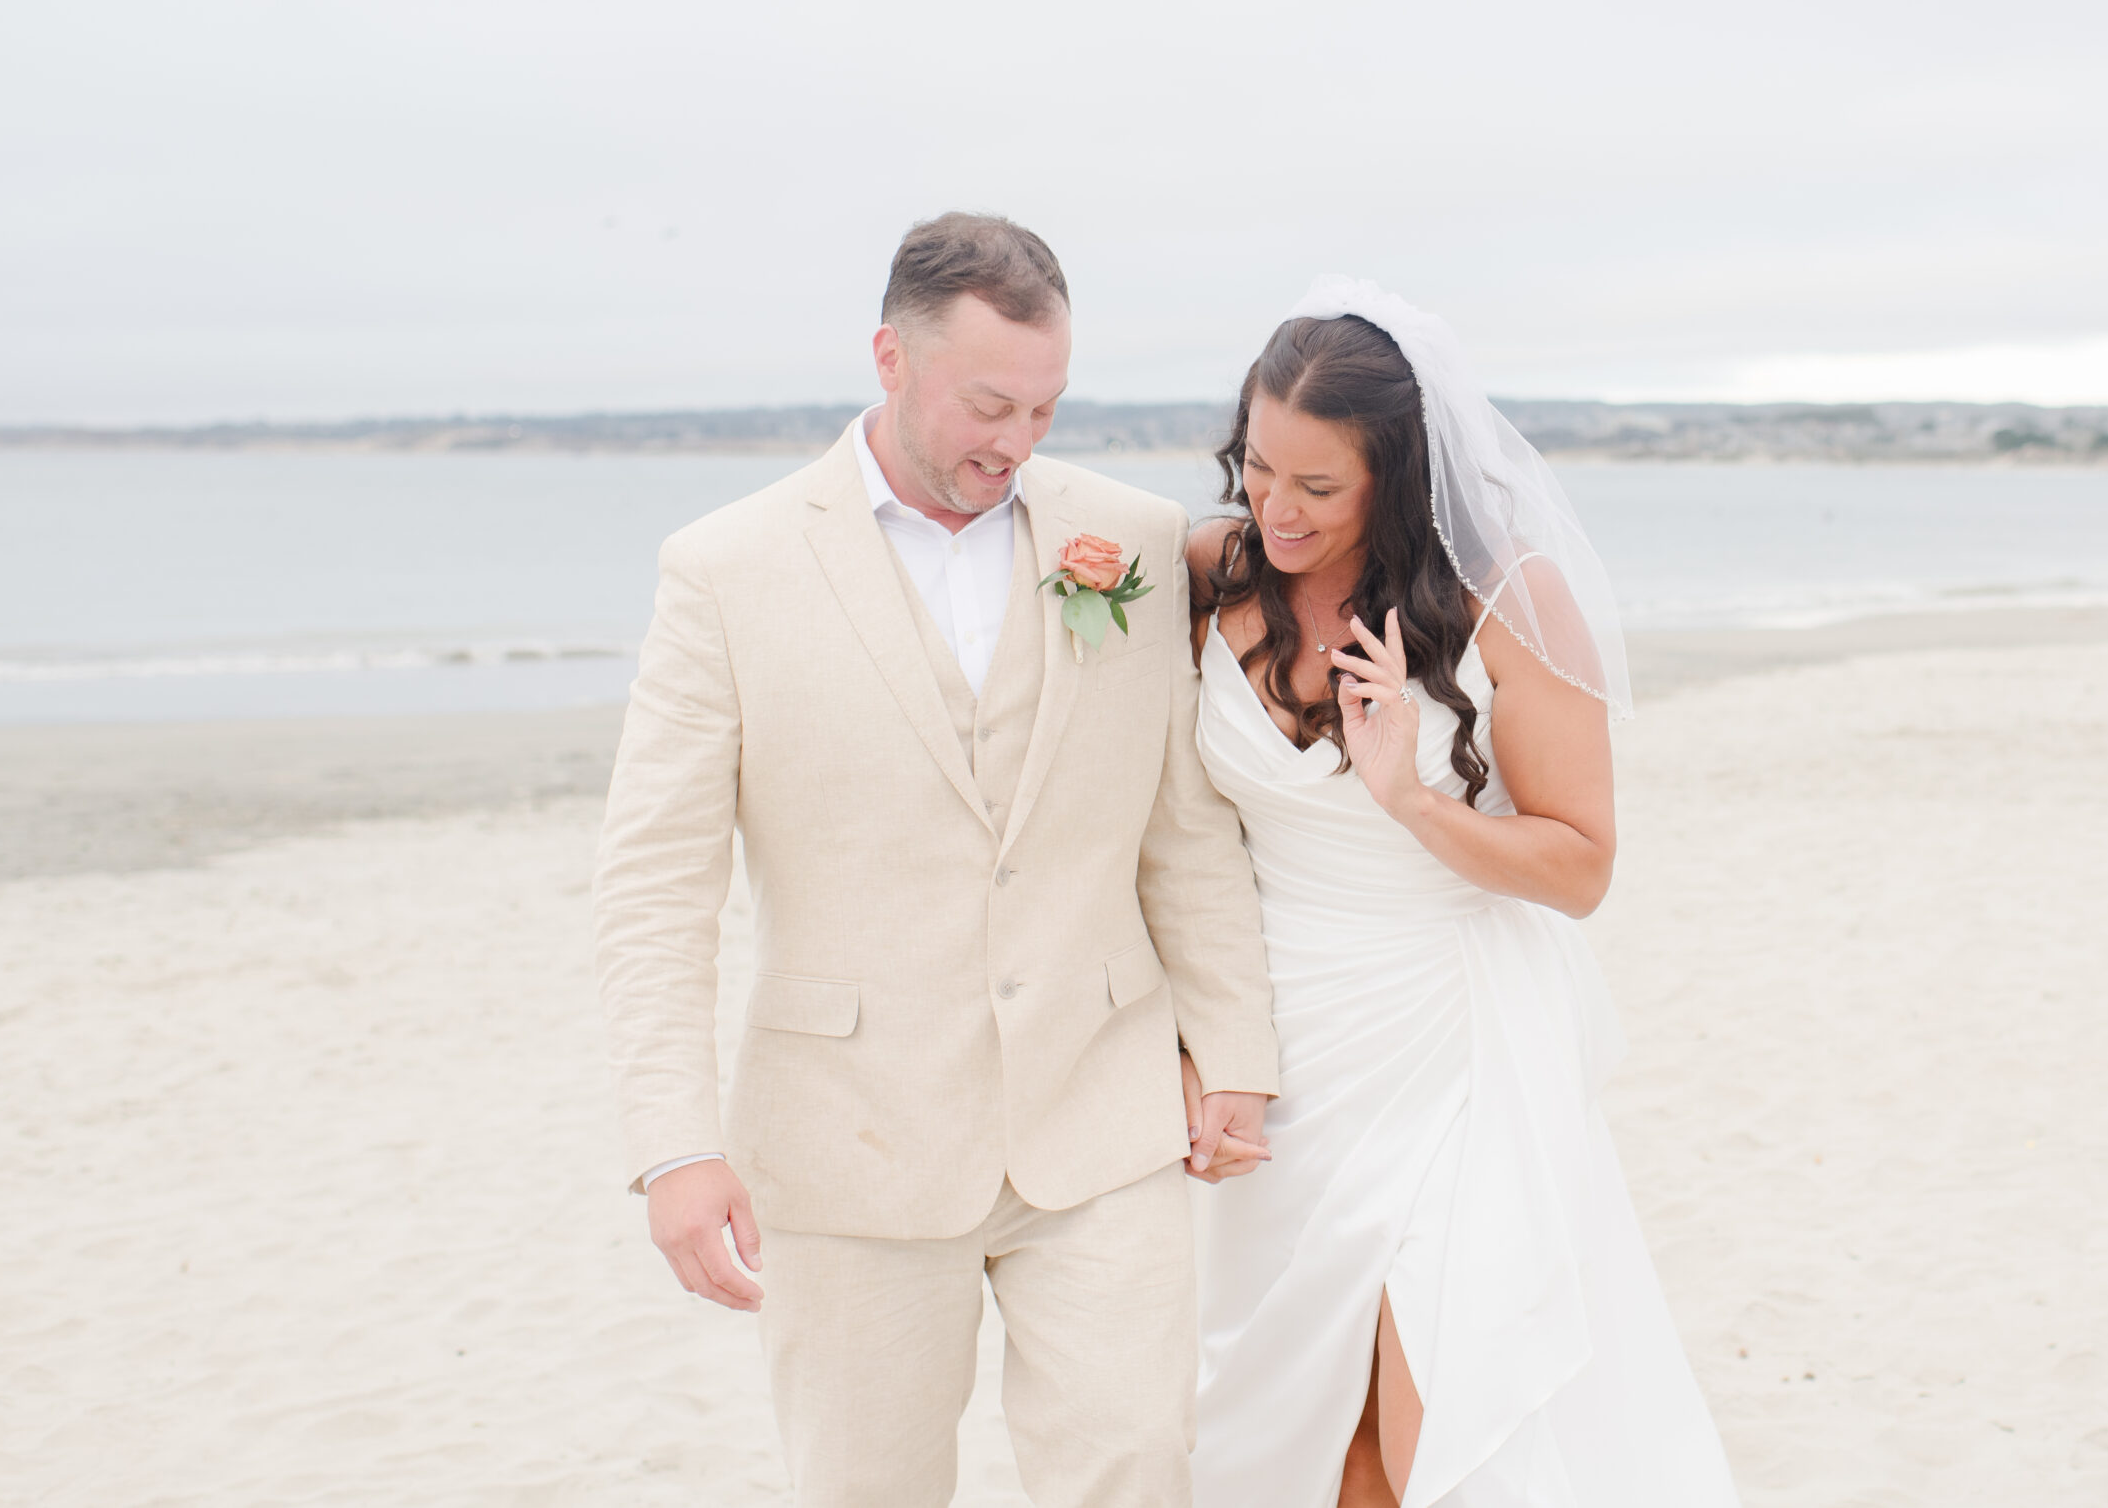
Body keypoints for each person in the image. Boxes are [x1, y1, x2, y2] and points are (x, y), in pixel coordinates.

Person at [590, 211, 1278, 1507]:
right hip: (851, 1135)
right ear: (890, 360)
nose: (1018, 443)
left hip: (1100, 1105)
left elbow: (1181, 828)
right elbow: (653, 885)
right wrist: (675, 1146)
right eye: (990, 404)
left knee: (1139, 1465)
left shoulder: (1126, 541)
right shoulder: (725, 570)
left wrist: (1237, 1051)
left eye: (1047, 407)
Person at [1185, 280, 1740, 1506]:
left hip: (1455, 1038)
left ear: (1399, 477)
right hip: (1284, 1050)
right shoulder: (1211, 571)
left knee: (1433, 1406)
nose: (1276, 507)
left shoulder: (1508, 600)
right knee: (1304, 1428)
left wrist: (1415, 801)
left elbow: (1582, 865)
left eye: (1317, 488)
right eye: (1257, 467)